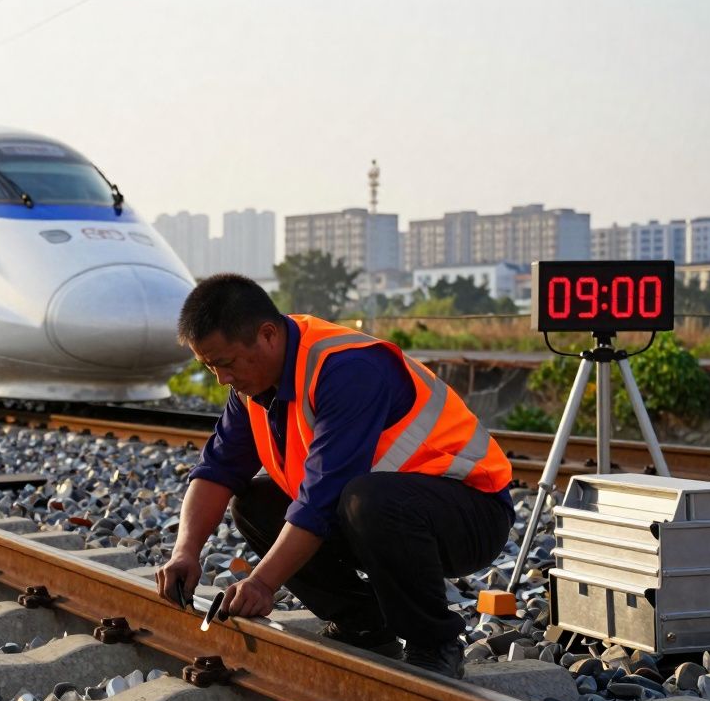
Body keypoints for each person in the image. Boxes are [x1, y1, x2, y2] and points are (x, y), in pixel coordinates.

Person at [154, 274, 514, 679]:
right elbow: (217, 471)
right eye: (210, 366)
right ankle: (364, 625)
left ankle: (434, 644)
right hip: (379, 515)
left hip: (469, 513)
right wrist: (184, 551)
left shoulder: (347, 368)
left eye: (226, 363)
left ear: (268, 335)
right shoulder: (252, 387)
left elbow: (321, 499)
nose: (222, 379)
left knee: (364, 498)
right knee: (253, 503)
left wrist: (262, 583)